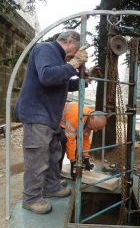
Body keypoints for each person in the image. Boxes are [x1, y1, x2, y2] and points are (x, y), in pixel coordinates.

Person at [14, 30, 89, 214]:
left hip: (49, 116)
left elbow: (60, 82)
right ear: (69, 42)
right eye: (77, 50)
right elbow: (47, 77)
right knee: (37, 157)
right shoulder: (46, 49)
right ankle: (31, 198)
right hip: (36, 113)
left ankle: (51, 186)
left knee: (54, 152)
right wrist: (74, 64)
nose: (76, 53)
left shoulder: (59, 58)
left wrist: (82, 81)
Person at [59, 101, 107, 179]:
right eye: (95, 127)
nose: (95, 131)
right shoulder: (76, 117)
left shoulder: (88, 120)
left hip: (69, 123)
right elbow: (70, 140)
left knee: (76, 141)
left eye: (98, 129)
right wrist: (73, 162)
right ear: (92, 118)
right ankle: (56, 174)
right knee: (61, 142)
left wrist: (86, 157)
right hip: (56, 121)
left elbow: (85, 139)